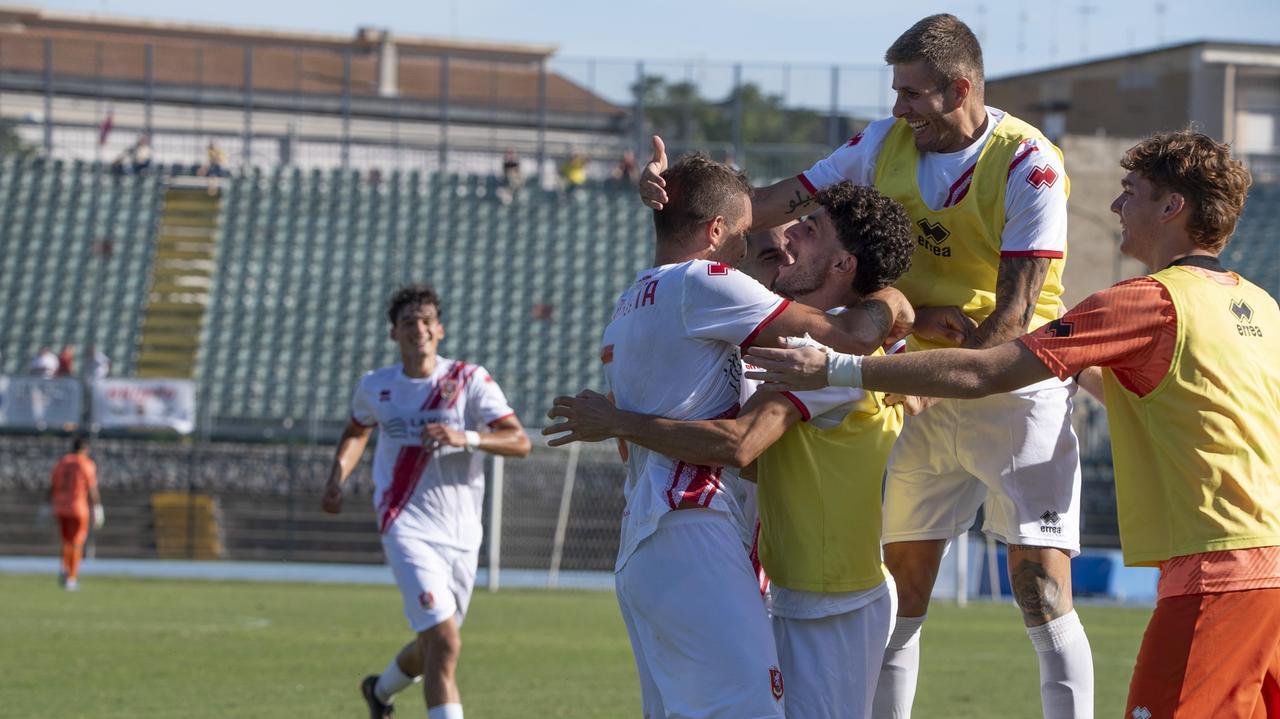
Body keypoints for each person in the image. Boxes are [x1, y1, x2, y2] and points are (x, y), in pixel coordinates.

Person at [639, 14, 1091, 718]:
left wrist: (919, 378)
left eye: (911, 93)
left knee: (1040, 585)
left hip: (1006, 384)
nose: (897, 108)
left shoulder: (1030, 162)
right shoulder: (883, 143)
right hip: (905, 369)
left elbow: (1009, 320)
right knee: (902, 581)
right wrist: (684, 209)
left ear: (959, 87)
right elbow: (768, 205)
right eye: (896, 91)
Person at [746, 129, 1279, 719]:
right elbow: (1134, 388)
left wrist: (839, 368)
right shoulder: (1259, 304)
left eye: (1131, 192)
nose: (1115, 206)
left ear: (1172, 207)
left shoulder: (1144, 301)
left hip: (1220, 567)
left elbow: (986, 373)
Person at [559, 153, 911, 719]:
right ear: (715, 231)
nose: (763, 251)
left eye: (800, 235)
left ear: (843, 263)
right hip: (698, 528)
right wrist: (897, 303)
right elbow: (749, 439)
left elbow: (743, 440)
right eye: (751, 237)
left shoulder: (631, 304)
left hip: (802, 584)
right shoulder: (707, 287)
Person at [320, 284, 532, 719]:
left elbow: (520, 441)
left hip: (462, 533)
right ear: (393, 334)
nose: (417, 328)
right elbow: (357, 431)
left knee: (433, 643)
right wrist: (336, 477)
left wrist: (467, 436)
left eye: (425, 321)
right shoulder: (376, 386)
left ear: (440, 330)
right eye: (407, 322)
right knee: (446, 642)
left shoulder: (469, 381)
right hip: (405, 523)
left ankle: (379, 691)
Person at [48, 436, 103, 591]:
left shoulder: (62, 462)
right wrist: (97, 508)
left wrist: (47, 505)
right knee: (77, 543)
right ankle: (71, 577)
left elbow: (53, 484)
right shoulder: (85, 463)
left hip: (60, 506)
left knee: (66, 542)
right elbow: (92, 488)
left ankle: (64, 569)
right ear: (85, 449)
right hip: (78, 508)